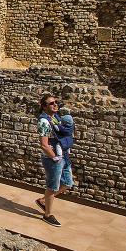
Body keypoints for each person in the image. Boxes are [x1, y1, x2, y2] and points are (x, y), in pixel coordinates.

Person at [35, 92, 74, 227]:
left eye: (56, 102)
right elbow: (44, 144)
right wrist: (54, 157)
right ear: (44, 107)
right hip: (53, 158)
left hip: (63, 155)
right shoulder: (44, 121)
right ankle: (48, 215)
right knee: (52, 186)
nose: (55, 104)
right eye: (52, 103)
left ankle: (43, 200)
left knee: (68, 183)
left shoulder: (56, 118)